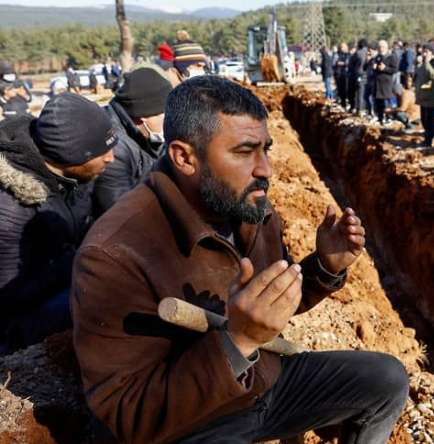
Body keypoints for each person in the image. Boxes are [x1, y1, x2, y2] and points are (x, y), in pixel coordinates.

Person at [71, 76, 408, 444]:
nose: (266, 169)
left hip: (265, 385)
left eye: (266, 149)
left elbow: (269, 306)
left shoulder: (248, 209)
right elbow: (129, 416)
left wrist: (325, 266)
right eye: (245, 151)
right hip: (196, 421)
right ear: (185, 157)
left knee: (385, 379)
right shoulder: (113, 253)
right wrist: (237, 342)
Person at [0, 93, 116, 354]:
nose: (112, 158)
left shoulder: (77, 177)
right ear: (71, 156)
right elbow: (7, 297)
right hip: (15, 325)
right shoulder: (10, 211)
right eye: (102, 151)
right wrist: (75, 262)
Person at [93, 68, 173, 216]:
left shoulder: (147, 132)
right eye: (166, 115)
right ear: (144, 116)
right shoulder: (113, 148)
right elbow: (120, 211)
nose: (170, 122)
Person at [414, 42, 434, 148]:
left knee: (429, 120)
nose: (424, 54)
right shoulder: (422, 62)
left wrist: (427, 63)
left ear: (432, 52)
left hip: (431, 95)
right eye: (423, 52)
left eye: (426, 52)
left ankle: (429, 141)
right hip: (422, 95)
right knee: (423, 119)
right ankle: (426, 139)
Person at [372, 40, 399, 125]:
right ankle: (380, 118)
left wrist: (385, 68)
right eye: (379, 47)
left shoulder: (391, 57)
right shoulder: (377, 57)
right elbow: (375, 67)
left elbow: (395, 70)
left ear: (386, 48)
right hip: (377, 83)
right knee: (378, 102)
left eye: (383, 47)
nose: (381, 49)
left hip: (386, 83)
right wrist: (375, 67)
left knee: (387, 102)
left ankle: (389, 118)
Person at [348, 39, 368, 115]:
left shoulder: (358, 53)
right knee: (363, 92)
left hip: (358, 74)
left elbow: (351, 65)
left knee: (359, 92)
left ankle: (359, 109)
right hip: (366, 74)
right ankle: (362, 108)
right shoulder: (367, 53)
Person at [334, 43, 350, 109]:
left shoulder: (348, 55)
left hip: (346, 75)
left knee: (346, 89)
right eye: (341, 47)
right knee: (340, 89)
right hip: (339, 74)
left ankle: (347, 103)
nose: (342, 49)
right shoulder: (337, 54)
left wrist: (341, 63)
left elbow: (348, 63)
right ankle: (342, 103)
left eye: (343, 47)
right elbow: (335, 62)